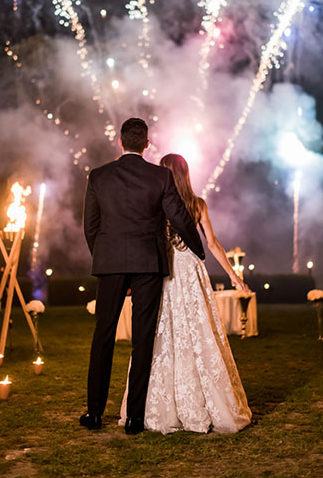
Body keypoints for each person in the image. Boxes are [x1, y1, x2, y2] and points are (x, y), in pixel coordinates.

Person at [81, 119, 205, 435]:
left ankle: (94, 414)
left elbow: (90, 227)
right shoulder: (160, 176)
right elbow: (178, 217)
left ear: (120, 142)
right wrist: (198, 249)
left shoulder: (99, 176)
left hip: (109, 261)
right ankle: (135, 418)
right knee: (143, 340)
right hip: (148, 262)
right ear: (146, 144)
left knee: (103, 336)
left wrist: (105, 255)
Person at [120, 153, 252, 434]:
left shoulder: (156, 203)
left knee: (162, 334)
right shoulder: (196, 204)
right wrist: (232, 276)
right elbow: (213, 244)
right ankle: (201, 401)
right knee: (196, 332)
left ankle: (160, 404)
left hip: (165, 270)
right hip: (190, 272)